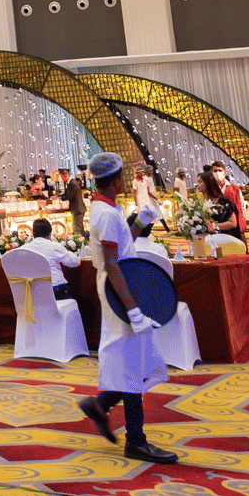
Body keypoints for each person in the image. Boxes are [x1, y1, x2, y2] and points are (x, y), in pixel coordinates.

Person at [76, 152, 179, 465]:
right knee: (133, 363)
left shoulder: (105, 208)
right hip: (119, 288)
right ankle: (135, 439)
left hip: (118, 285)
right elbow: (112, 262)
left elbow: (122, 245)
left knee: (130, 360)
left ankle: (102, 405)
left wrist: (140, 221)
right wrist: (133, 310)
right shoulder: (106, 213)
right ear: (116, 179)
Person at [25, 217, 82, 302]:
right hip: (57, 290)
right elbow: (75, 262)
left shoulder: (23, 249)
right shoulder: (54, 246)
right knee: (86, 305)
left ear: (33, 233)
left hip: (34, 294)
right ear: (50, 234)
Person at [200, 171, 243, 251]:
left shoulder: (224, 203)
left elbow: (233, 223)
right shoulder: (199, 202)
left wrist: (212, 226)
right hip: (203, 240)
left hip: (222, 241)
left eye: (200, 182)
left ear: (207, 183)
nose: (197, 184)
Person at [64, 166, 86, 238]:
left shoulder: (73, 183)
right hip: (78, 209)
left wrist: (60, 198)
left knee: (77, 231)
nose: (62, 178)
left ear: (66, 175)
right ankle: (83, 242)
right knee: (80, 230)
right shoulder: (72, 182)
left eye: (62, 176)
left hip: (78, 209)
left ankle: (79, 243)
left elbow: (69, 196)